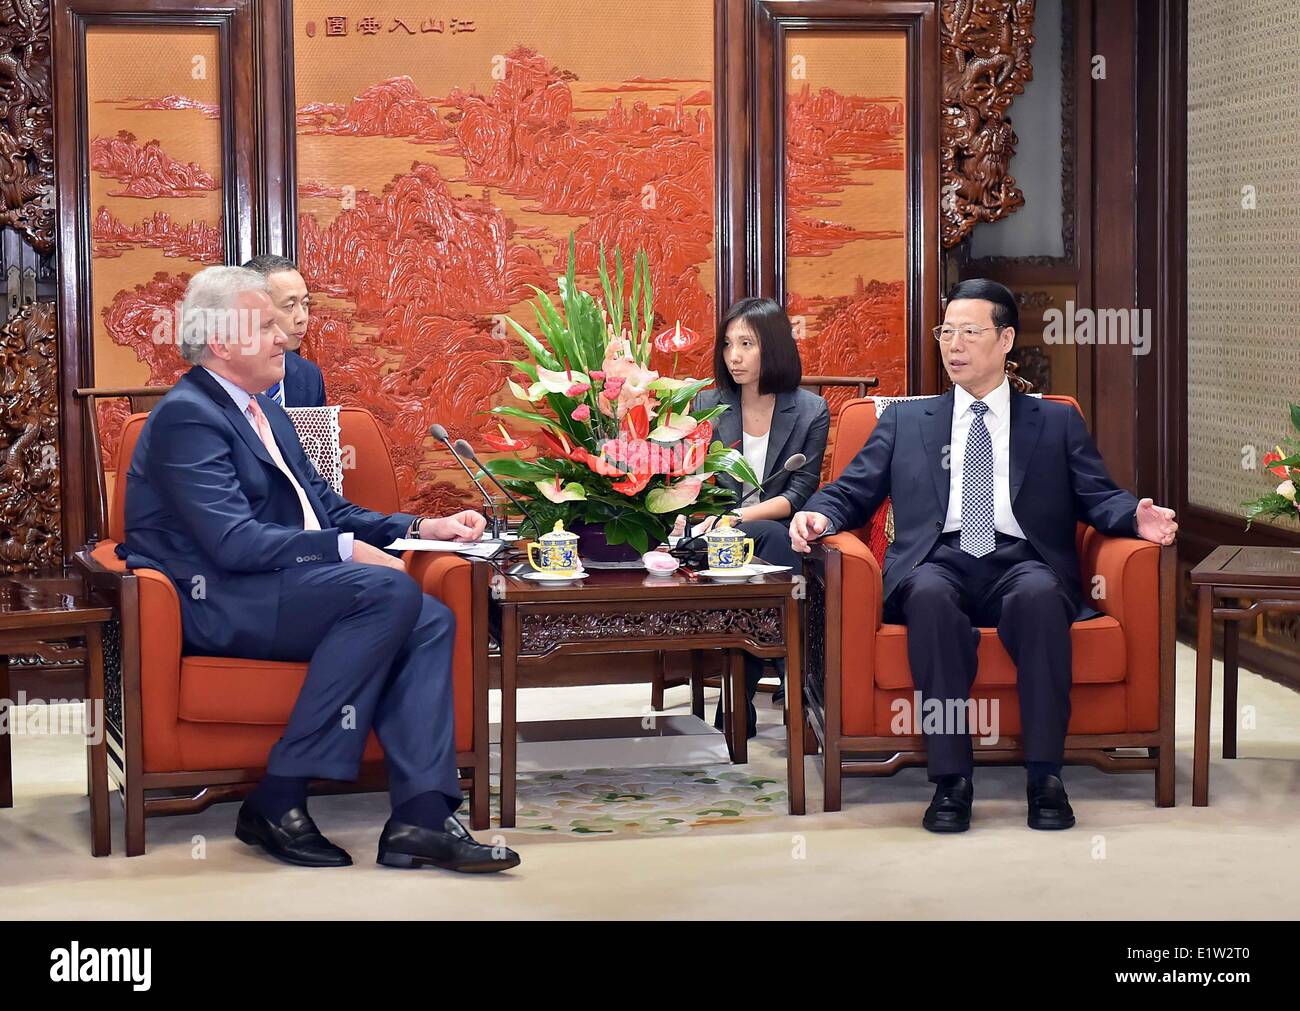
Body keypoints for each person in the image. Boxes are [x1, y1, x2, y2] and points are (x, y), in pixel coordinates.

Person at [119, 265, 519, 873]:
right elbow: (231, 543)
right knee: (387, 591)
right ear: (222, 341)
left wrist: (419, 529)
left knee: (430, 619)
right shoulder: (187, 416)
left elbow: (324, 508)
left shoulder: (267, 411)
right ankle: (280, 795)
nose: (284, 337)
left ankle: (421, 817)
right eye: (267, 326)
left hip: (289, 586)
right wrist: (343, 550)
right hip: (222, 599)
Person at [790, 279, 1177, 833]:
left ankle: (1046, 776)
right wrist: (820, 515)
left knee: (1042, 599)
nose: (954, 344)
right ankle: (952, 781)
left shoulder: (1054, 420)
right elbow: (852, 490)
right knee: (927, 599)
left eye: (971, 332)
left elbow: (1097, 494)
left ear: (1005, 340)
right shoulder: (904, 420)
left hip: (1023, 561)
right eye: (947, 332)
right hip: (939, 560)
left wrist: (1134, 516)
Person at [692, 297, 830, 735]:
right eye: (728, 343)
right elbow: (695, 482)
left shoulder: (810, 410)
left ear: (772, 347)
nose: (734, 355)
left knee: (766, 536)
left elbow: (800, 491)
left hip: (770, 532)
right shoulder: (706, 404)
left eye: (747, 343)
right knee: (765, 541)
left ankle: (738, 697)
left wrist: (739, 517)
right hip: (711, 535)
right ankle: (795, 671)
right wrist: (720, 519)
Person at [241, 254, 326, 407]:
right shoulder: (225, 376)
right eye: (290, 306)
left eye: (305, 304)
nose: (302, 318)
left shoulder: (309, 376)